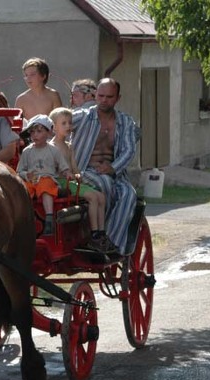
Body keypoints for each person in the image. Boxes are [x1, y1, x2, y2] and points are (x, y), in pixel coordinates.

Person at [70, 78, 138, 254]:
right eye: (100, 96)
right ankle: (98, 236)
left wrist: (113, 167)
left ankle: (112, 242)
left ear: (118, 98)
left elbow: (129, 150)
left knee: (129, 195)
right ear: (95, 95)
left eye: (109, 97)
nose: (104, 100)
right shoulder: (81, 116)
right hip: (84, 170)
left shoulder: (126, 122)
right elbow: (56, 123)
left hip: (115, 173)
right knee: (104, 183)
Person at [49, 107, 115, 252]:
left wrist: (78, 175)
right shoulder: (52, 147)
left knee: (101, 196)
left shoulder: (69, 146)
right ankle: (94, 234)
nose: (68, 126)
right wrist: (68, 175)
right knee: (93, 197)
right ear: (54, 127)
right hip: (62, 182)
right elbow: (55, 170)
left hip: (72, 182)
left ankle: (101, 232)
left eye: (70, 123)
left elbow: (74, 167)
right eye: (64, 123)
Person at [15, 114, 68, 235]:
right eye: (32, 132)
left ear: (48, 133)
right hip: (32, 180)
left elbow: (63, 166)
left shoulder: (53, 150)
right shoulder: (27, 151)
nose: (35, 135)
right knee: (24, 190)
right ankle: (24, 219)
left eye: (39, 131)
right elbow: (19, 171)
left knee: (45, 186)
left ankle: (49, 219)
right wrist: (26, 174)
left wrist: (67, 173)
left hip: (47, 179)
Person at [14, 57, 63, 122]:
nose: (28, 78)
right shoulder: (21, 99)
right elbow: (16, 123)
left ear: (43, 76)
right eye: (26, 75)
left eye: (32, 74)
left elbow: (59, 120)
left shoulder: (53, 96)